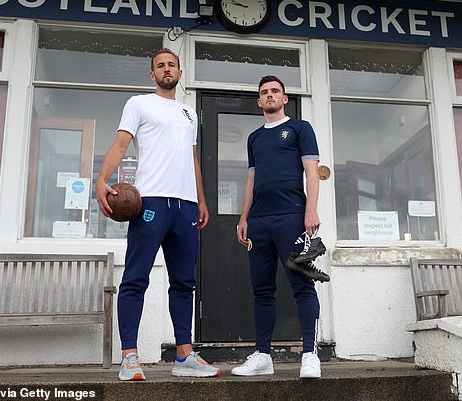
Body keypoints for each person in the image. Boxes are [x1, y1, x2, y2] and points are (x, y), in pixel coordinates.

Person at [96, 48, 220, 380]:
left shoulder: (189, 112)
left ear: (180, 73)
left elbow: (191, 159)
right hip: (149, 203)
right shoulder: (139, 104)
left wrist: (202, 200)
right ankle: (129, 357)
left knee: (184, 282)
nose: (167, 69)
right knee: (135, 279)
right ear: (153, 75)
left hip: (186, 207)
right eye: (160, 66)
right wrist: (101, 179)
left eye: (172, 65)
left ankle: (184, 355)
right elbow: (121, 143)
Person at [233, 75, 327, 379]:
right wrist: (243, 217)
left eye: (275, 91)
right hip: (259, 222)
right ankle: (263, 355)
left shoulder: (300, 129)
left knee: (302, 284)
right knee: (262, 289)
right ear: (259, 102)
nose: (270, 95)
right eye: (264, 92)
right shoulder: (255, 138)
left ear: (285, 99)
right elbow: (251, 180)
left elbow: (311, 172)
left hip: (292, 216)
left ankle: (310, 354)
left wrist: (310, 210)